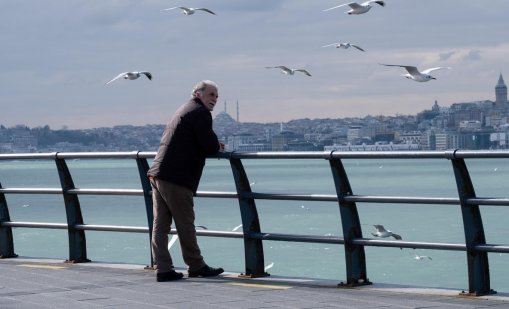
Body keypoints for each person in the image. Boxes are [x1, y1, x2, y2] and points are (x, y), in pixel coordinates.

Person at [148, 80, 225, 282]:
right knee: (185, 222)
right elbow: (209, 146)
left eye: (217, 96)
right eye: (211, 94)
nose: (215, 99)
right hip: (176, 176)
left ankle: (163, 268)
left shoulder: (184, 109)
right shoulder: (200, 113)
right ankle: (196, 265)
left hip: (158, 172)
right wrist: (217, 145)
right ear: (198, 94)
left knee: (160, 224)